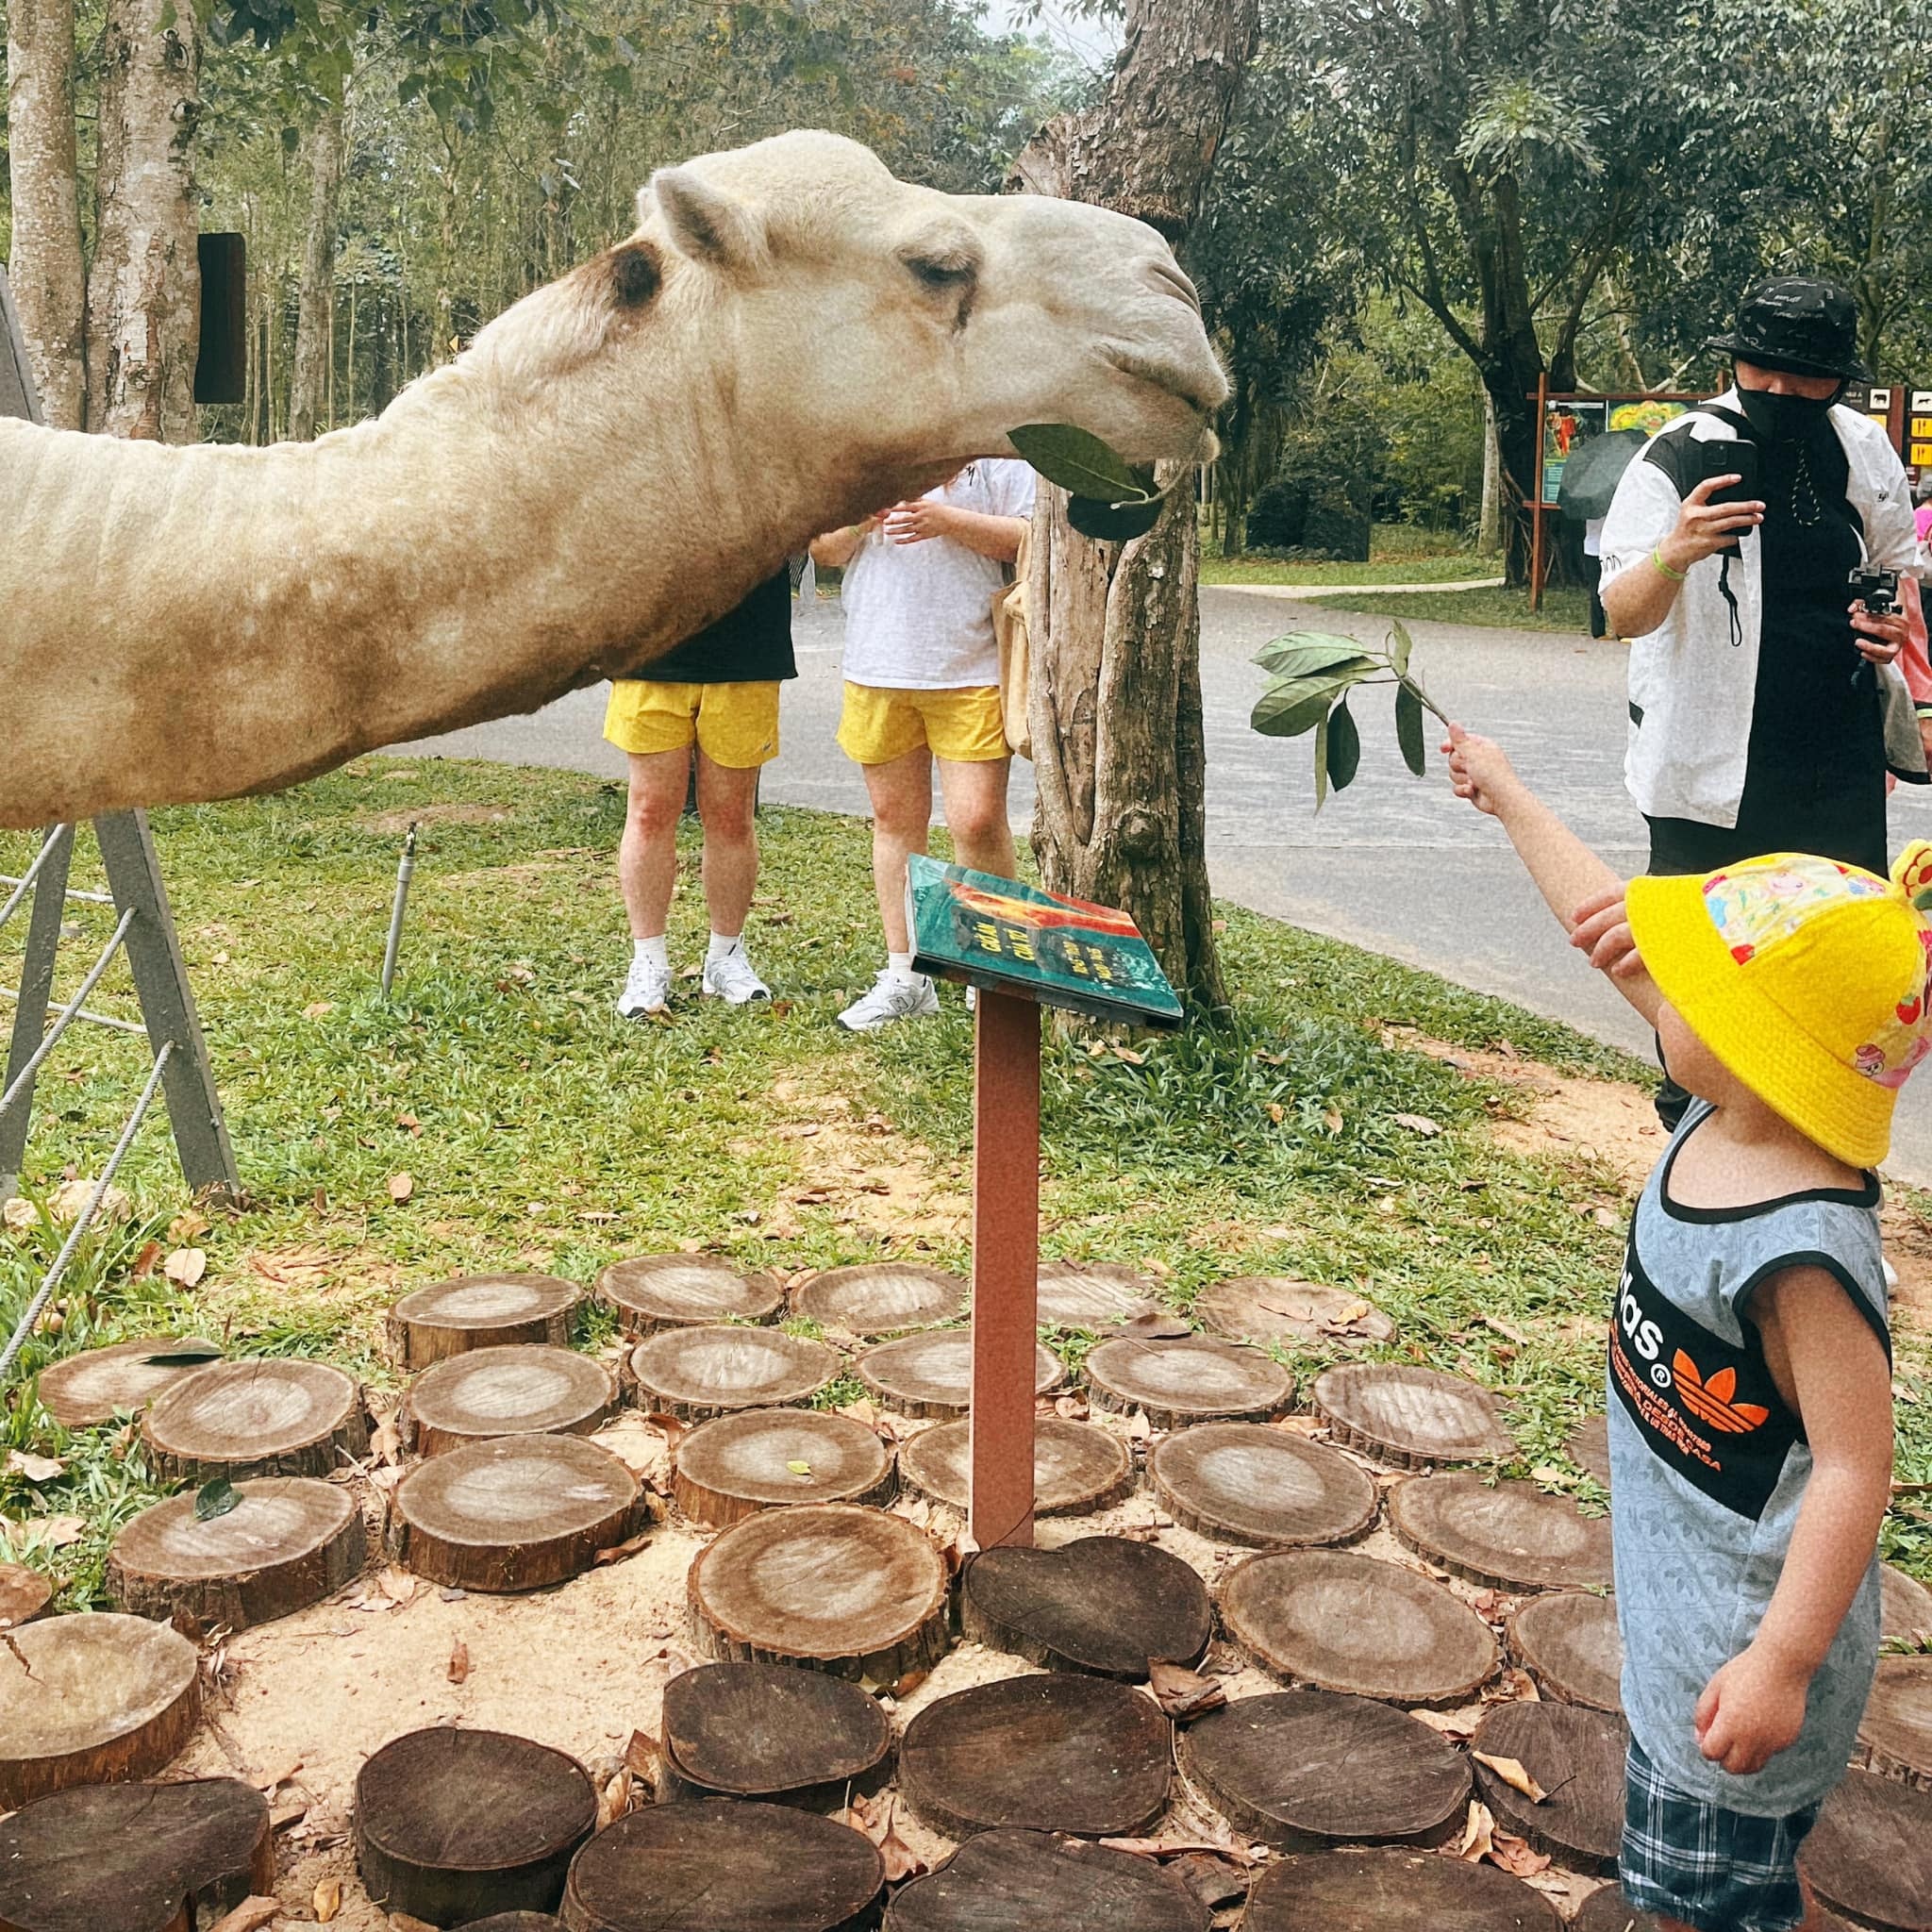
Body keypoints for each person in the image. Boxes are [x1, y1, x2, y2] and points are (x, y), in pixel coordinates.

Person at [1445, 720, 1918, 1932]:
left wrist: (1779, 1663)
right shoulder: (1734, 1100)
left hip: (1740, 1649)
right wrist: (1507, 794)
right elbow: (1603, 925)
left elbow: (1857, 1464)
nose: (1654, 976)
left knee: (1698, 1908)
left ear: (1764, 1040)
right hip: (1683, 1624)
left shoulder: (1799, 1246)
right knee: (1738, 1896)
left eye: (1696, 977)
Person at [1597, 276, 1924, 1125]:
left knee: (1830, 970)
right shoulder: (1679, 452)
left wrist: (1885, 623)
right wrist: (1674, 554)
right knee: (1703, 977)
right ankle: (1694, 1168)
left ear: (1838, 380)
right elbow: (1620, 613)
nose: (1775, 388)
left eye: (1799, 375)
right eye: (1758, 367)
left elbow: (1893, 567)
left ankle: (1817, 1166)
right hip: (1710, 762)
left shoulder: (1861, 448)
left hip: (1833, 754)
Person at [809, 460, 1035, 1031]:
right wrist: (865, 515)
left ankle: (989, 968)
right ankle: (906, 975)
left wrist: (946, 519)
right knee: (895, 819)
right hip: (878, 661)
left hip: (974, 664)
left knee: (978, 820)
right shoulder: (875, 448)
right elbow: (823, 549)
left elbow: (1032, 537)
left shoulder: (999, 454)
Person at [604, 570, 793, 1016]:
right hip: (649, 650)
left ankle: (726, 956)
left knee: (731, 816)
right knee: (650, 810)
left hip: (748, 651)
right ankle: (648, 960)